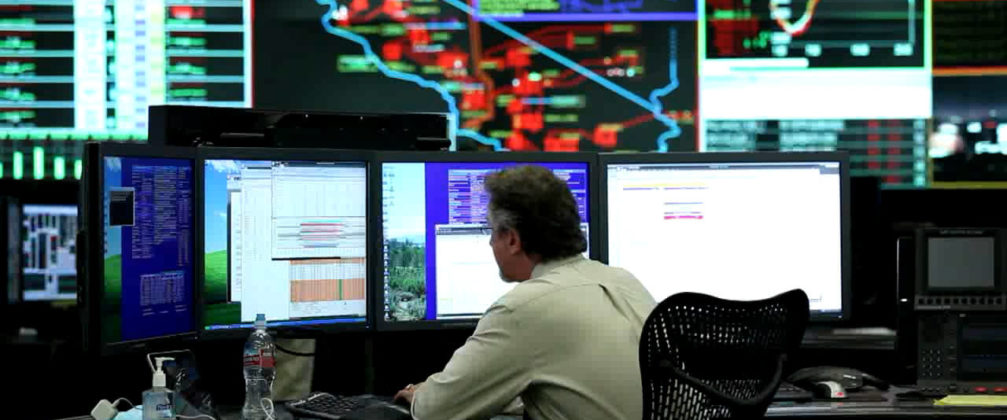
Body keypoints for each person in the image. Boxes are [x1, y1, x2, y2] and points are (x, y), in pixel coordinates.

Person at [394, 165, 657, 420]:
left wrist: (421, 394)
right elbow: (584, 386)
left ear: (512, 239)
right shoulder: (623, 281)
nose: (489, 241)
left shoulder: (522, 309)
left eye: (491, 230)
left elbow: (436, 411)